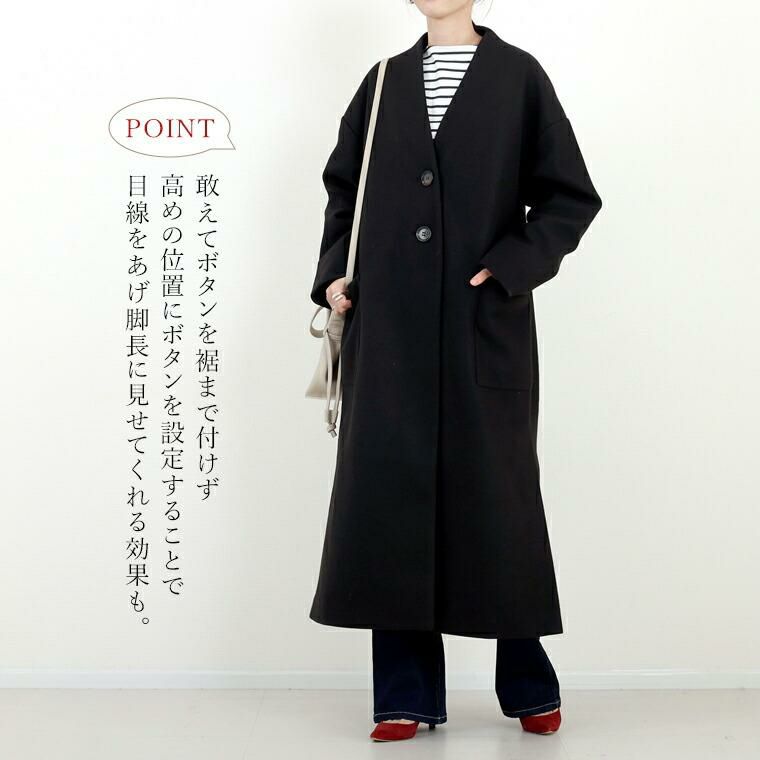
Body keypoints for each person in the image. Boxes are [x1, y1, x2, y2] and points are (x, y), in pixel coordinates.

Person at [309, 0, 602, 742]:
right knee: (391, 503)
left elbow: (570, 195)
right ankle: (403, 694)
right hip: (389, 328)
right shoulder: (382, 81)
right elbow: (345, 190)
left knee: (499, 503)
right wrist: (335, 276)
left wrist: (509, 266)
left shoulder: (519, 78)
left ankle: (527, 681)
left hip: (483, 326)